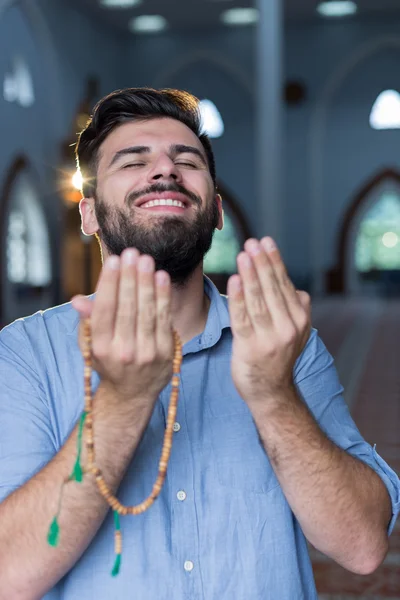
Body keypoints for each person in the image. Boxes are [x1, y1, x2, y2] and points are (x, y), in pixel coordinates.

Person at [0, 88, 399, 600]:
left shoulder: (283, 342)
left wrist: (274, 395)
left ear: (214, 210)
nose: (165, 171)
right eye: (133, 161)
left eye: (185, 160)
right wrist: (123, 400)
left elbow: (363, 545)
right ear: (90, 215)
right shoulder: (25, 353)